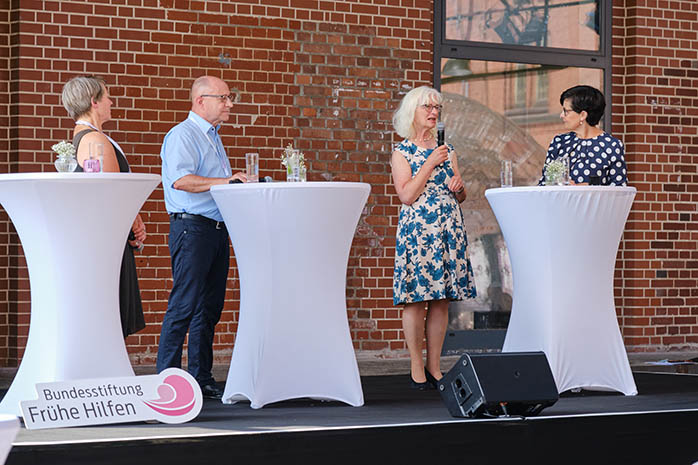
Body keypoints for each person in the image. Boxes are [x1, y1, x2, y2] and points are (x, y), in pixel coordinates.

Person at [157, 76, 247, 399]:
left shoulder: (212, 137)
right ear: (200, 101)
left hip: (215, 230)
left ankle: (200, 377)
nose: (230, 104)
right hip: (192, 229)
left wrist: (234, 183)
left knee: (209, 308)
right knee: (183, 305)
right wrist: (227, 181)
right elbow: (181, 181)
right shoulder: (183, 135)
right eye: (223, 98)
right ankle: (166, 381)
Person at [390, 86, 477, 390]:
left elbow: (462, 195)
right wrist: (428, 164)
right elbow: (406, 195)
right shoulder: (401, 152)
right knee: (417, 299)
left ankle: (435, 365)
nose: (433, 112)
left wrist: (458, 185)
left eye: (437, 107)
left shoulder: (448, 150)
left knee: (441, 300)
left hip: (447, 227)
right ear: (411, 111)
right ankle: (416, 364)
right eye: (427, 106)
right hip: (419, 232)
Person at [61, 75, 147, 338]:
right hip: (108, 244)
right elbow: (110, 194)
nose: (111, 101)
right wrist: (133, 224)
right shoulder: (95, 142)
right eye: (107, 96)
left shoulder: (88, 138)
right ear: (93, 101)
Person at [539, 85, 627, 186]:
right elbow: (544, 183)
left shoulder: (611, 145)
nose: (561, 115)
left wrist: (586, 188)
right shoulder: (559, 142)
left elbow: (619, 189)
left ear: (583, 115)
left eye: (566, 111)